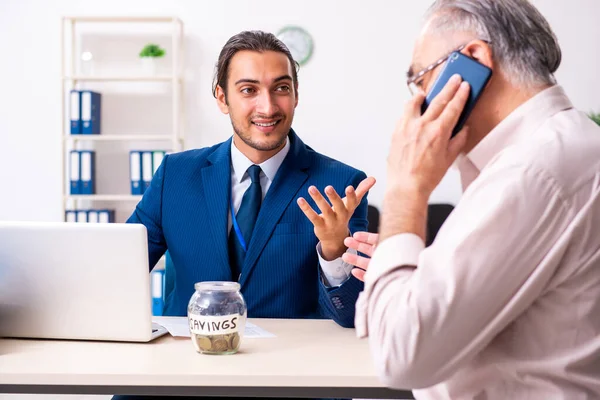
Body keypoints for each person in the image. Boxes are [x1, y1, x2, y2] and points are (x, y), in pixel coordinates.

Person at [345, 0, 600, 398]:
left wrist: (404, 188)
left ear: (474, 61)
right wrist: (418, 261)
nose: (418, 100)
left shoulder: (531, 170)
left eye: (420, 79)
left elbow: (400, 356)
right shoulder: (563, 148)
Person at [127, 30, 374, 330]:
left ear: (296, 94)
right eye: (248, 90)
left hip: (291, 365)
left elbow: (352, 317)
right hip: (187, 360)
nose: (267, 107)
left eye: (281, 88)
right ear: (222, 97)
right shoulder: (175, 175)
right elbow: (119, 269)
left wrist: (334, 251)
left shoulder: (341, 185)